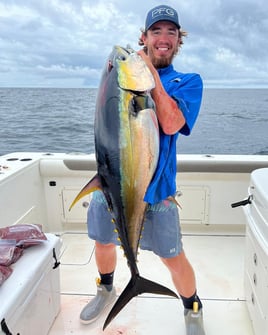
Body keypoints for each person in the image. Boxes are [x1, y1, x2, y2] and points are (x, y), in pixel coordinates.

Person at [80, 4, 205, 335]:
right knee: (103, 242)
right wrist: (124, 70)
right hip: (109, 184)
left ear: (179, 40)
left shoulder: (188, 81)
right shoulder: (123, 78)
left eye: (171, 32)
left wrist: (148, 76)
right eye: (156, 31)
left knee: (173, 257)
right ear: (144, 37)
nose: (163, 38)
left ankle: (192, 307)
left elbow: (171, 121)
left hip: (158, 192)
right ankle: (105, 288)